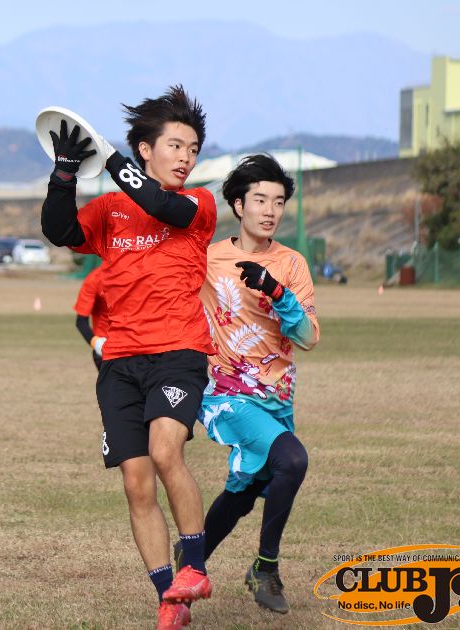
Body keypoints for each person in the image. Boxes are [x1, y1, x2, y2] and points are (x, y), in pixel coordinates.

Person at [41, 85, 216, 629]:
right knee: (136, 482)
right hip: (119, 363)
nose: (186, 157)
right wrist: (64, 173)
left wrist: (110, 157)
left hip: (178, 352)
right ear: (147, 149)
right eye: (175, 146)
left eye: (193, 149)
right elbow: (58, 230)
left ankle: (196, 567)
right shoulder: (111, 209)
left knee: (166, 451)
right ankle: (170, 600)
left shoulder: (198, 204)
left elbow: (160, 205)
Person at [195, 154, 320, 614]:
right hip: (226, 394)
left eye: (279, 201)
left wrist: (276, 291)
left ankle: (190, 560)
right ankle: (266, 567)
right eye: (261, 200)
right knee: (293, 459)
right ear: (238, 205)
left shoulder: (292, 264)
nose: (270, 210)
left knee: (246, 490)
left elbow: (308, 337)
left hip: (277, 399)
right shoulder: (208, 259)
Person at [73, 263, 110, 369]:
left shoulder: (139, 275)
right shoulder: (95, 278)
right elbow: (81, 321)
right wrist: (97, 344)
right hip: (107, 347)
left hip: (138, 346)